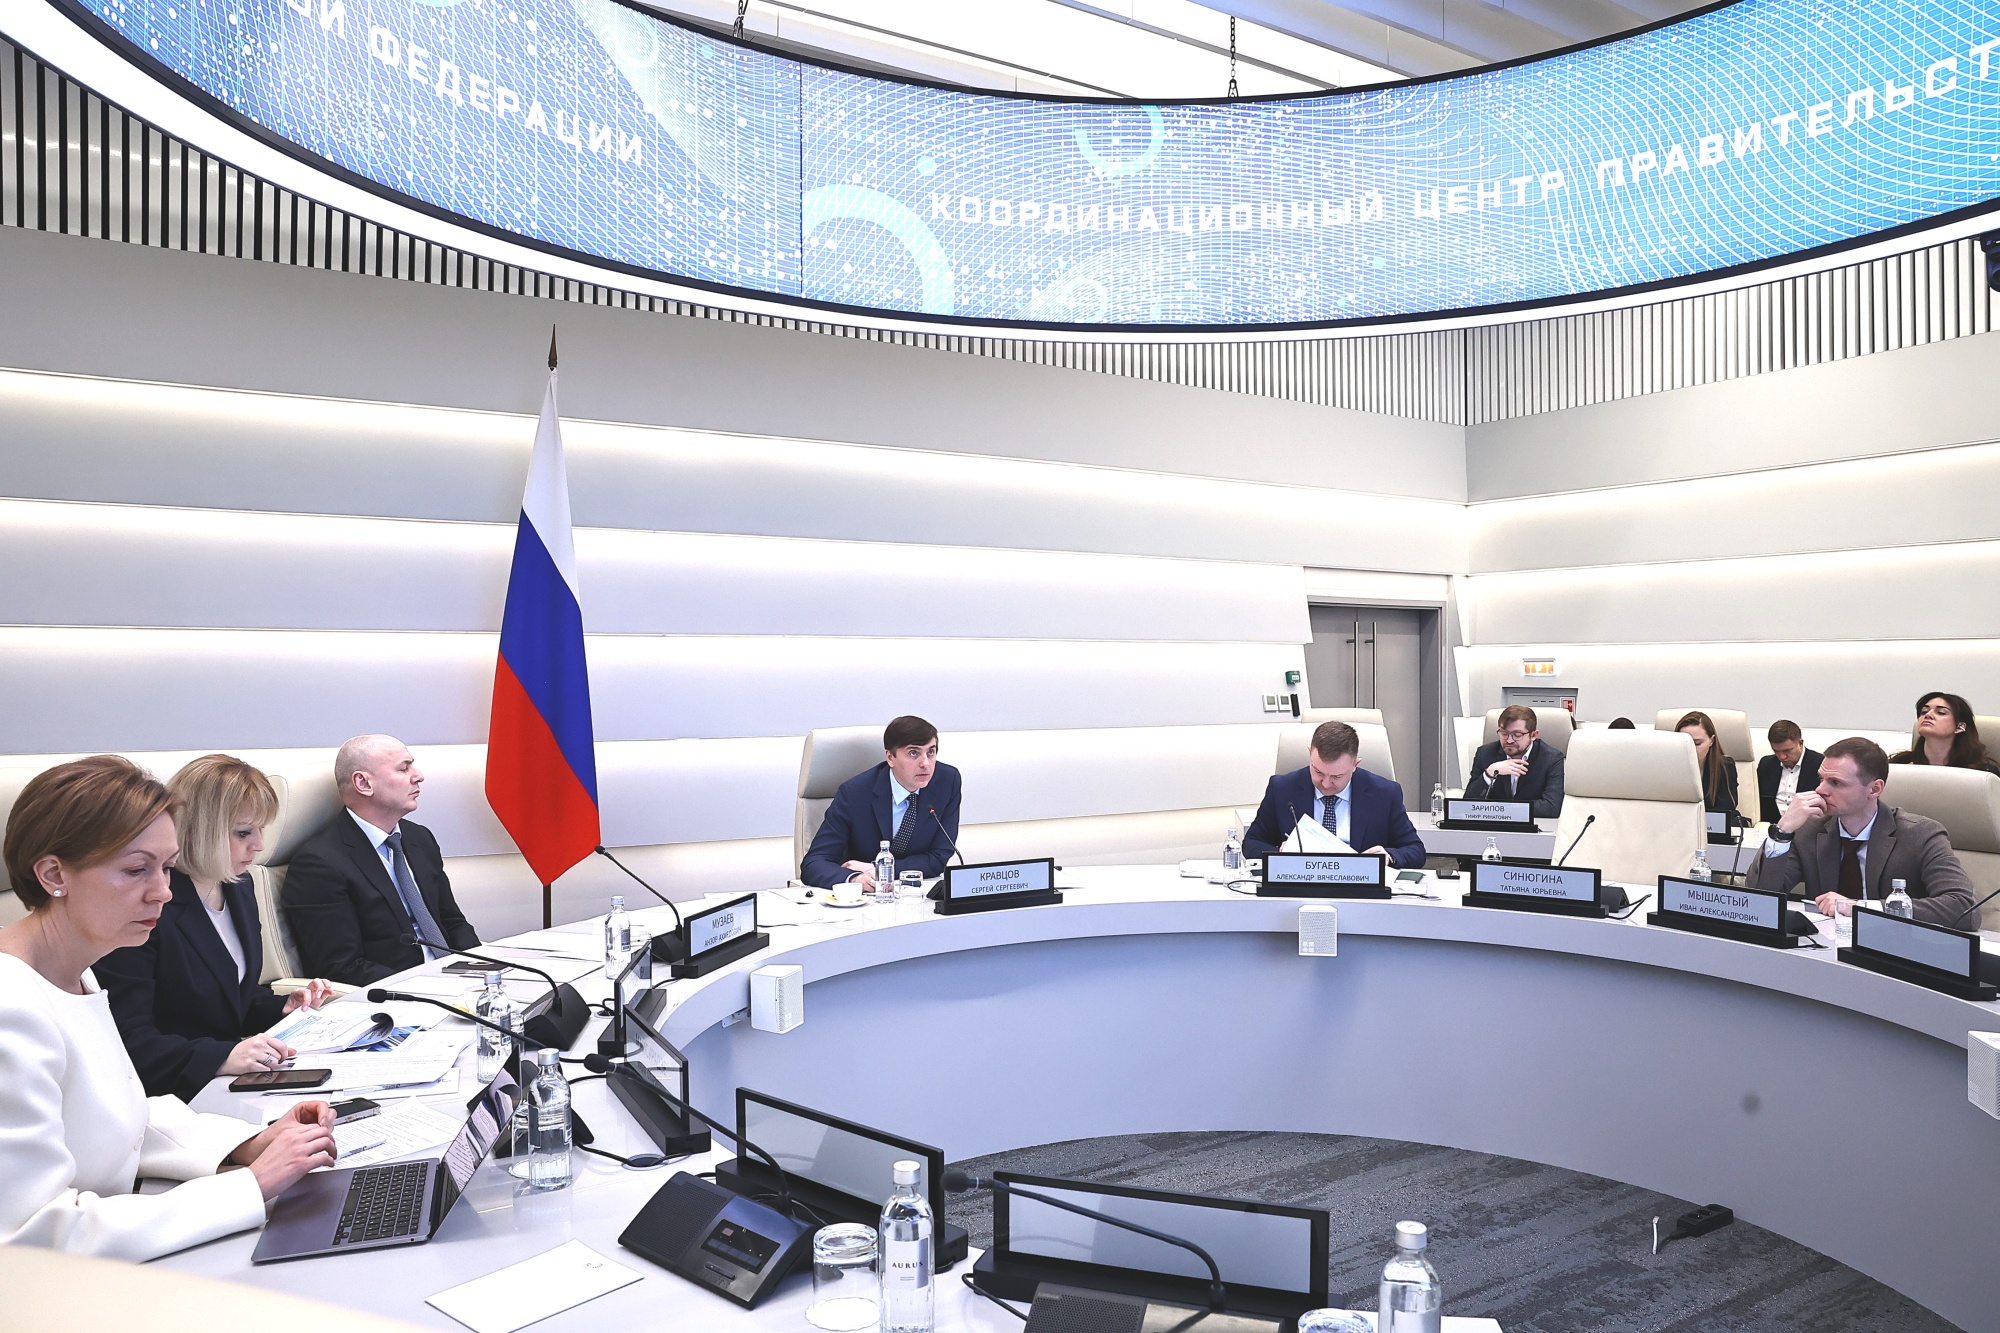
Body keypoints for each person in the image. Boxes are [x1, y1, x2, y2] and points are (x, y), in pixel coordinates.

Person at [0, 755, 337, 1261]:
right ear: (53, 874)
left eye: (166, 867)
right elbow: (35, 1237)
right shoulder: (11, 1008)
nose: (162, 892)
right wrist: (250, 1185)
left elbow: (122, 1116)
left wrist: (250, 1142)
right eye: (136, 870)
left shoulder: (78, 974)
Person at [95, 756, 335, 1100]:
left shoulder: (238, 885)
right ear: (199, 830)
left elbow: (230, 997)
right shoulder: (146, 903)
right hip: (168, 1095)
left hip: (230, 1081)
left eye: (261, 829)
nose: (259, 845)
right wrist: (222, 1056)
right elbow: (128, 1040)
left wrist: (279, 1008)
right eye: (243, 832)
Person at [281, 735, 479, 985]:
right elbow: (342, 968)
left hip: (458, 982)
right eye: (403, 768)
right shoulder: (319, 864)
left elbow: (452, 922)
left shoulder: (419, 838)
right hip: (399, 994)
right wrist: (428, 986)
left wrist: (485, 970)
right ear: (363, 783)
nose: (418, 776)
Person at [1746, 737, 1977, 927]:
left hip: (1896, 952)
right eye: (1821, 779)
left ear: (1874, 789)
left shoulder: (1921, 835)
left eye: (1835, 783)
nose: (1820, 790)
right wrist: (1782, 831)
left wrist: (1860, 908)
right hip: (1824, 950)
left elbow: (1964, 908)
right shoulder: (1809, 829)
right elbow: (1759, 897)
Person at [801, 716, 963, 890]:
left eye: (931, 752)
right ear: (890, 758)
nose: (925, 763)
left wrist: (879, 868)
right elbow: (814, 863)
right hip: (866, 897)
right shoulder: (854, 794)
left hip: (915, 893)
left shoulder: (947, 782)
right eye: (913, 753)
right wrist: (855, 879)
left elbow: (939, 857)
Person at [1242, 721, 1426, 867]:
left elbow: (1416, 850)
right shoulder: (1282, 788)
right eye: (1318, 772)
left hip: (1360, 890)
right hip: (1300, 886)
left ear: (1355, 765)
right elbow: (1252, 843)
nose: (1326, 783)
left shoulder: (1384, 793)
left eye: (1337, 776)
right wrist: (1280, 855)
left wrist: (1388, 857)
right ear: (1310, 754)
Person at [1462, 705, 1566, 818]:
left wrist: (1501, 809)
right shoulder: (1485, 754)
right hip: (1494, 824)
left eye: (1517, 735)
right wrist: (1489, 774)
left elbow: (1551, 808)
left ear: (1533, 735)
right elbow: (1467, 804)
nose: (1509, 740)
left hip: (1533, 824)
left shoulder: (1551, 759)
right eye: (1504, 733)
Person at [1889, 692, 2000, 774]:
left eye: (1941, 712)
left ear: (1959, 727)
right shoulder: (1900, 765)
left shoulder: (1982, 773)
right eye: (1924, 712)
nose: (1928, 715)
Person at [1676, 711, 1741, 826]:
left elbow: (1726, 810)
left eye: (1697, 743)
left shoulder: (1725, 767)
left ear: (1711, 741)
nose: (1690, 749)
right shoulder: (1667, 769)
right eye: (1684, 744)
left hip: (1710, 829)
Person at [1756, 721, 1822, 827]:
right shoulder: (1766, 764)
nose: (1782, 757)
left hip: (1807, 828)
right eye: (1776, 751)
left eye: (1787, 751)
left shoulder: (1820, 764)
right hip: (1771, 826)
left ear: (1800, 743)